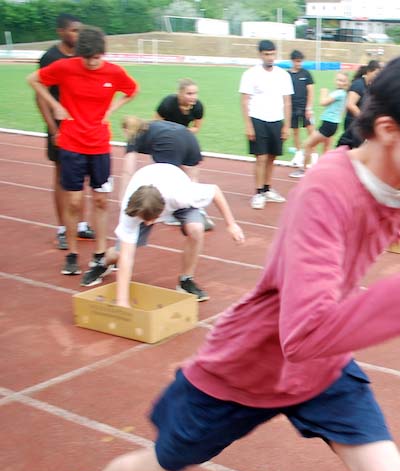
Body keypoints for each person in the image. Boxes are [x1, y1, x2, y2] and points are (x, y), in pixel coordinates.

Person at [57, 53, 400, 471]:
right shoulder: (324, 195)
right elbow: (303, 333)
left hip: (324, 361)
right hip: (253, 361)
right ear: (388, 131)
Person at [27, 26, 137, 276]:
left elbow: (132, 90)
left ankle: (99, 253)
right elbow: (33, 80)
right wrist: (55, 105)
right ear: (80, 55)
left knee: (100, 199)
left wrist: (112, 110)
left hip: (99, 144)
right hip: (71, 144)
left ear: (102, 53)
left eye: (97, 57)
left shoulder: (114, 72)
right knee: (74, 202)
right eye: (87, 58)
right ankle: (72, 254)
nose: (92, 63)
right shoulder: (65, 67)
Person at [78, 163, 245, 301]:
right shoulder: (131, 209)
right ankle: (102, 264)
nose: (149, 224)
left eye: (151, 220)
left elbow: (215, 190)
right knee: (120, 253)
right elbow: (127, 257)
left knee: (196, 229)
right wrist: (123, 301)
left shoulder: (181, 195)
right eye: (145, 221)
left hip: (173, 190)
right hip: (147, 193)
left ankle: (186, 280)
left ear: (162, 211)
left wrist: (231, 224)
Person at [36, 13, 95, 250]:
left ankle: (79, 225)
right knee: (62, 178)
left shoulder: (83, 55)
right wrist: (53, 130)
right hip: (61, 128)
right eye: (73, 31)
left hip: (82, 125)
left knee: (82, 177)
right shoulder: (51, 58)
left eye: (80, 31)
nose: (77, 35)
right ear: (61, 32)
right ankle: (62, 229)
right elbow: (41, 97)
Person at [239, 39, 293, 210]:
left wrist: (286, 126)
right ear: (260, 54)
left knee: (272, 157)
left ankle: (268, 189)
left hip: (277, 120)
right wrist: (248, 125)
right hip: (257, 118)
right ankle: (259, 192)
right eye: (267, 54)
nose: (270, 57)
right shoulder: (250, 74)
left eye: (272, 54)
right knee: (260, 158)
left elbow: (287, 102)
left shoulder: (283, 75)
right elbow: (244, 100)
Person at [292, 71, 349, 178]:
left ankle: (303, 170)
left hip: (328, 124)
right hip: (333, 123)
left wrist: (323, 92)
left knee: (308, 144)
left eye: (342, 81)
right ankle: (324, 172)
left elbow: (322, 102)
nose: (339, 82)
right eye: (338, 80)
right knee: (326, 148)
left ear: (346, 83)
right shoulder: (342, 94)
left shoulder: (339, 93)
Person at [336, 60, 381, 149]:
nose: (377, 77)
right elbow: (350, 104)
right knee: (352, 148)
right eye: (376, 74)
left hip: (359, 125)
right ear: (369, 72)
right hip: (353, 124)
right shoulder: (358, 84)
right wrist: (363, 118)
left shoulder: (368, 86)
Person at [287, 50, 315, 166]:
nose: (299, 64)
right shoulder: (287, 74)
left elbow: (311, 91)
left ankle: (314, 157)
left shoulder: (306, 73)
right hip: (292, 108)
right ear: (292, 61)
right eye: (297, 61)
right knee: (295, 132)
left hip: (304, 108)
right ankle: (298, 155)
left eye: (300, 61)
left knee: (311, 132)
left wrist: (309, 107)